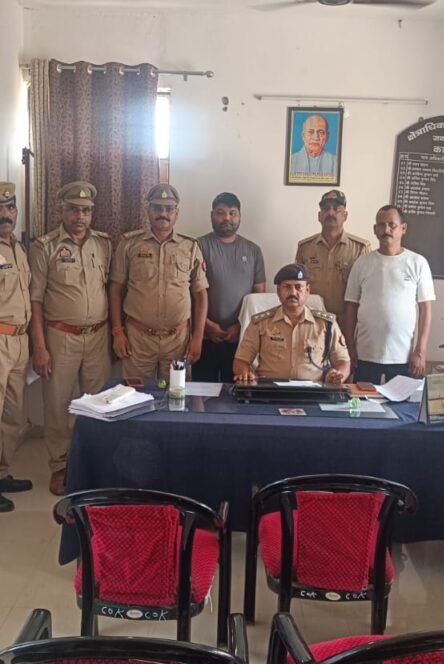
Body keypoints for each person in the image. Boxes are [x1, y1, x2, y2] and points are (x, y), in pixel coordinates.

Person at [29, 181, 112, 495]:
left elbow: (109, 287)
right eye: (74, 210)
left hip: (98, 336)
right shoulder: (45, 247)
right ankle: (60, 466)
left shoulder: (103, 244)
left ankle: (94, 461)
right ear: (61, 210)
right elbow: (35, 300)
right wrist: (39, 346)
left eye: (86, 211)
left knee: (98, 402)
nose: (80, 216)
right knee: (58, 404)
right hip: (60, 337)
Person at [109, 183, 208, 381]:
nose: (163, 213)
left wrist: (197, 337)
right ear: (148, 211)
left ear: (177, 213)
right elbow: (115, 289)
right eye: (157, 208)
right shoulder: (129, 244)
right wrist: (117, 332)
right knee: (135, 395)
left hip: (178, 341)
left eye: (169, 209)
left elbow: (200, 295)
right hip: (138, 340)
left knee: (177, 395)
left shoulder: (190, 247)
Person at [343, 204, 435, 383]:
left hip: (403, 357)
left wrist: (420, 351)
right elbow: (350, 307)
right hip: (365, 356)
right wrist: (350, 349)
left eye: (392, 225)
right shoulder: (362, 263)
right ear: (375, 230)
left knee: (401, 401)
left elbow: (426, 310)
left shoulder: (418, 263)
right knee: (362, 400)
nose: (386, 230)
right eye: (381, 225)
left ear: (403, 228)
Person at [233, 263, 350, 384]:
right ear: (278, 290)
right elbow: (241, 360)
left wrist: (337, 375)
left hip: (313, 391)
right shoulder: (260, 323)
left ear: (307, 290)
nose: (293, 292)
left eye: (298, 287)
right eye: (287, 287)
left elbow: (343, 361)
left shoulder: (326, 324)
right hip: (270, 390)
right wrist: (245, 373)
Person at [193, 192, 266, 382]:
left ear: (240, 217)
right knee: (202, 391)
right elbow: (188, 293)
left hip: (241, 337)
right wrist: (208, 325)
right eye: (221, 212)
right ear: (212, 216)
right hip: (204, 335)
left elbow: (258, 296)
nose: (227, 218)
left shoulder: (253, 251)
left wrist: (240, 326)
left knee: (236, 390)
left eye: (232, 213)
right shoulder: (197, 246)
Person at [0, 182, 32, 514]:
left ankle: (2, 473)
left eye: (10, 208)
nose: (5, 214)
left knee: (11, 413)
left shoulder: (18, 248)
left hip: (19, 340)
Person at [296, 189, 370, 332]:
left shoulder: (360, 248)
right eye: (325, 209)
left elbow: (366, 291)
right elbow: (297, 286)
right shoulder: (305, 248)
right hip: (311, 322)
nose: (330, 213)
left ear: (345, 215)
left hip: (346, 323)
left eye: (337, 209)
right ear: (319, 216)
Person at [290, 114, 337, 179]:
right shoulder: (291, 161)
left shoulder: (335, 162)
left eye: (321, 132)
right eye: (311, 132)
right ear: (303, 136)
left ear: (327, 137)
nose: (316, 137)